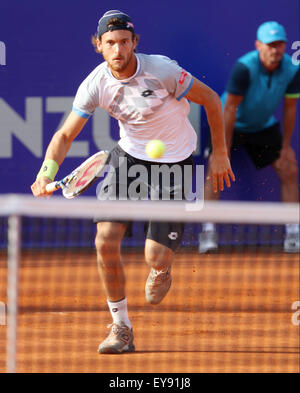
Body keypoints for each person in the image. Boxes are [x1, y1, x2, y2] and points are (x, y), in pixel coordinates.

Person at [31, 10, 234, 354]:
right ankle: (120, 326)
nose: (118, 49)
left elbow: (212, 100)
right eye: (110, 43)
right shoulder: (95, 83)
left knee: (154, 255)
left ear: (135, 43)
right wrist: (46, 173)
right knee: (105, 240)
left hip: (175, 163)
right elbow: (65, 134)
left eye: (124, 42)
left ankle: (161, 269)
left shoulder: (163, 71)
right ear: (98, 46)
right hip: (128, 159)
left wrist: (220, 155)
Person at [199, 21, 300, 254]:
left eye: (279, 45)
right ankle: (208, 232)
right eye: (270, 45)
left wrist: (285, 146)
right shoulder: (244, 67)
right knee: (216, 170)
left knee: (289, 168)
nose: (275, 50)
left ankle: (293, 232)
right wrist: (221, 151)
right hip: (230, 121)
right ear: (258, 45)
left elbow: (290, 108)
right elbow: (230, 109)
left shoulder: (292, 69)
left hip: (263, 126)